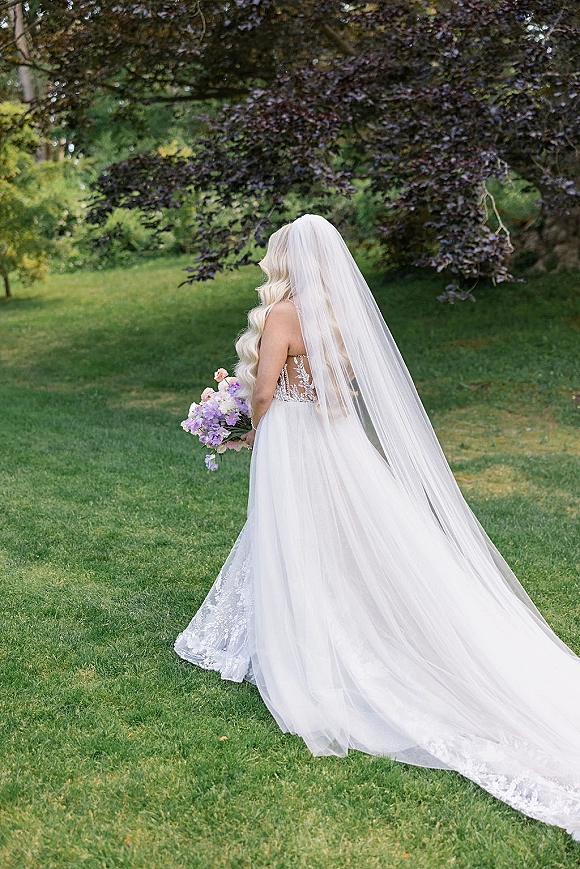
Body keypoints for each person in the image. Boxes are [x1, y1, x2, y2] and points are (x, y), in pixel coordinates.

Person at [175, 214, 580, 841]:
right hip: (337, 440)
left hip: (292, 438)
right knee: (342, 536)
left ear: (290, 258)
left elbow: (263, 392)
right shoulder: (342, 316)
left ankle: (304, 636)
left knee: (293, 534)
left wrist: (253, 429)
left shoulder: (285, 313)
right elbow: (343, 396)